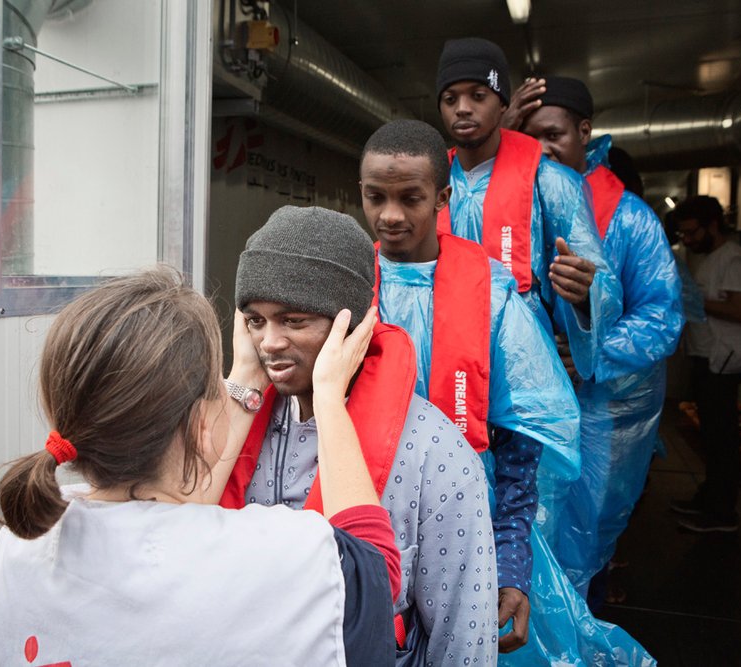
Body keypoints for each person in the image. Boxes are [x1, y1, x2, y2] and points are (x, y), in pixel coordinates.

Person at [0, 266, 400, 667]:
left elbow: (171, 517)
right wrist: (329, 396)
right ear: (201, 425)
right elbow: (375, 573)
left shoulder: (22, 535)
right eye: (217, 385)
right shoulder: (265, 559)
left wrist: (242, 378)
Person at [224, 206, 498, 666]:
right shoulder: (237, 422)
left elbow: (464, 640)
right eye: (255, 320)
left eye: (293, 320)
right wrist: (239, 385)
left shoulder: (437, 453)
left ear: (348, 324)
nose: (269, 341)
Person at [359, 118, 580, 653]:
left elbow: (520, 447)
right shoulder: (343, 285)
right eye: (374, 197)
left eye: (410, 198)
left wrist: (511, 561)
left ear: (443, 196)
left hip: (466, 533)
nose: (390, 216)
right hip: (364, 528)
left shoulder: (495, 298)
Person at [506, 76, 684, 601]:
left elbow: (661, 314)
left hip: (603, 414)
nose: (541, 148)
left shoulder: (629, 219)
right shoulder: (510, 205)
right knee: (523, 538)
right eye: (527, 135)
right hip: (525, 413)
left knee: (583, 543)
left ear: (585, 132)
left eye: (553, 134)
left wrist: (590, 352)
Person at [434, 38, 623, 383]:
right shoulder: (429, 185)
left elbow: (607, 288)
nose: (462, 108)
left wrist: (585, 295)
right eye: (450, 98)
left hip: (529, 379)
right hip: (451, 375)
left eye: (478, 95)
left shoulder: (551, 183)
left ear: (503, 104)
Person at [670, 195, 741, 533]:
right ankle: (709, 497)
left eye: (693, 233)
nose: (689, 241)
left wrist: (693, 301)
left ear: (712, 226)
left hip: (725, 359)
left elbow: (738, 311)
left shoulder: (734, 260)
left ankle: (722, 512)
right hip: (708, 356)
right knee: (711, 434)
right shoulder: (707, 259)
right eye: (684, 235)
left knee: (721, 437)